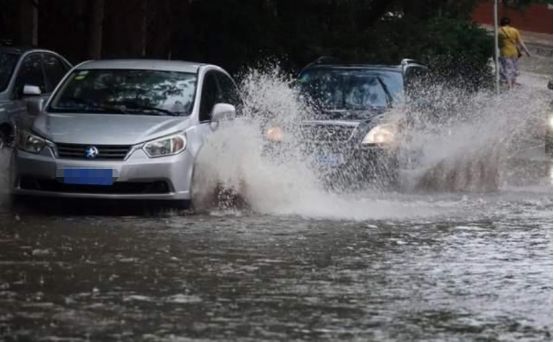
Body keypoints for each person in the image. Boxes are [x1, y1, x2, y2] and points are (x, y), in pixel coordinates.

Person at [498, 17, 531, 89]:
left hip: (505, 52)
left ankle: (509, 87)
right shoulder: (515, 30)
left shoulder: (499, 31)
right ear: (509, 23)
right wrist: (527, 51)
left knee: (507, 69)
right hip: (514, 53)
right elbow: (520, 42)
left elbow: (497, 44)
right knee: (514, 69)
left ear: (501, 23)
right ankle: (513, 84)